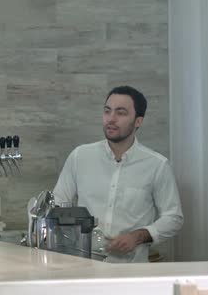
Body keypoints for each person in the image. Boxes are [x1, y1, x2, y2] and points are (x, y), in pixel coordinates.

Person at [53, 86, 183, 263]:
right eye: (107, 111)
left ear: (138, 121)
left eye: (121, 113)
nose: (111, 119)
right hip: (82, 266)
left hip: (131, 271)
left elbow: (173, 217)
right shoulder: (80, 156)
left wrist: (139, 236)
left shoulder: (157, 165)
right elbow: (59, 202)